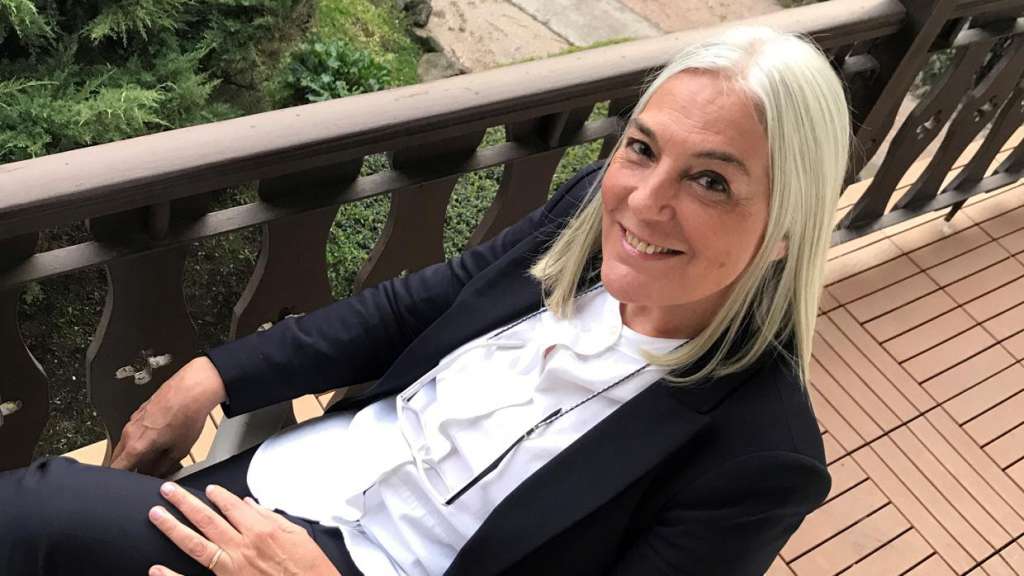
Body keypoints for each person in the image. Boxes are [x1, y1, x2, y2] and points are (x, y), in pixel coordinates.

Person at [0, 26, 851, 576]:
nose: (643, 202)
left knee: (42, 514)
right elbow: (415, 307)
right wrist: (211, 375)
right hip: (283, 483)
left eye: (711, 180)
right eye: (641, 148)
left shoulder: (758, 456)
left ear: (787, 225)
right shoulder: (589, 214)